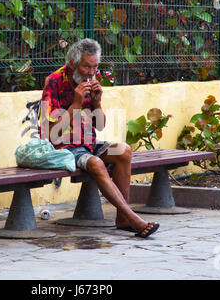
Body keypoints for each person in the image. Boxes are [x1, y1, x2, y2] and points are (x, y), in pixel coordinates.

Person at [40, 38, 159, 238]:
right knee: (95, 163)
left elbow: (101, 125)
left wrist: (97, 103)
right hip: (64, 150)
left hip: (89, 144)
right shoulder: (53, 82)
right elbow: (49, 132)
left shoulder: (90, 81)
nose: (91, 72)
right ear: (72, 64)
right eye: (86, 66)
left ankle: (122, 218)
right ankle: (133, 218)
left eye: (95, 67)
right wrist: (76, 104)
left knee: (123, 151)